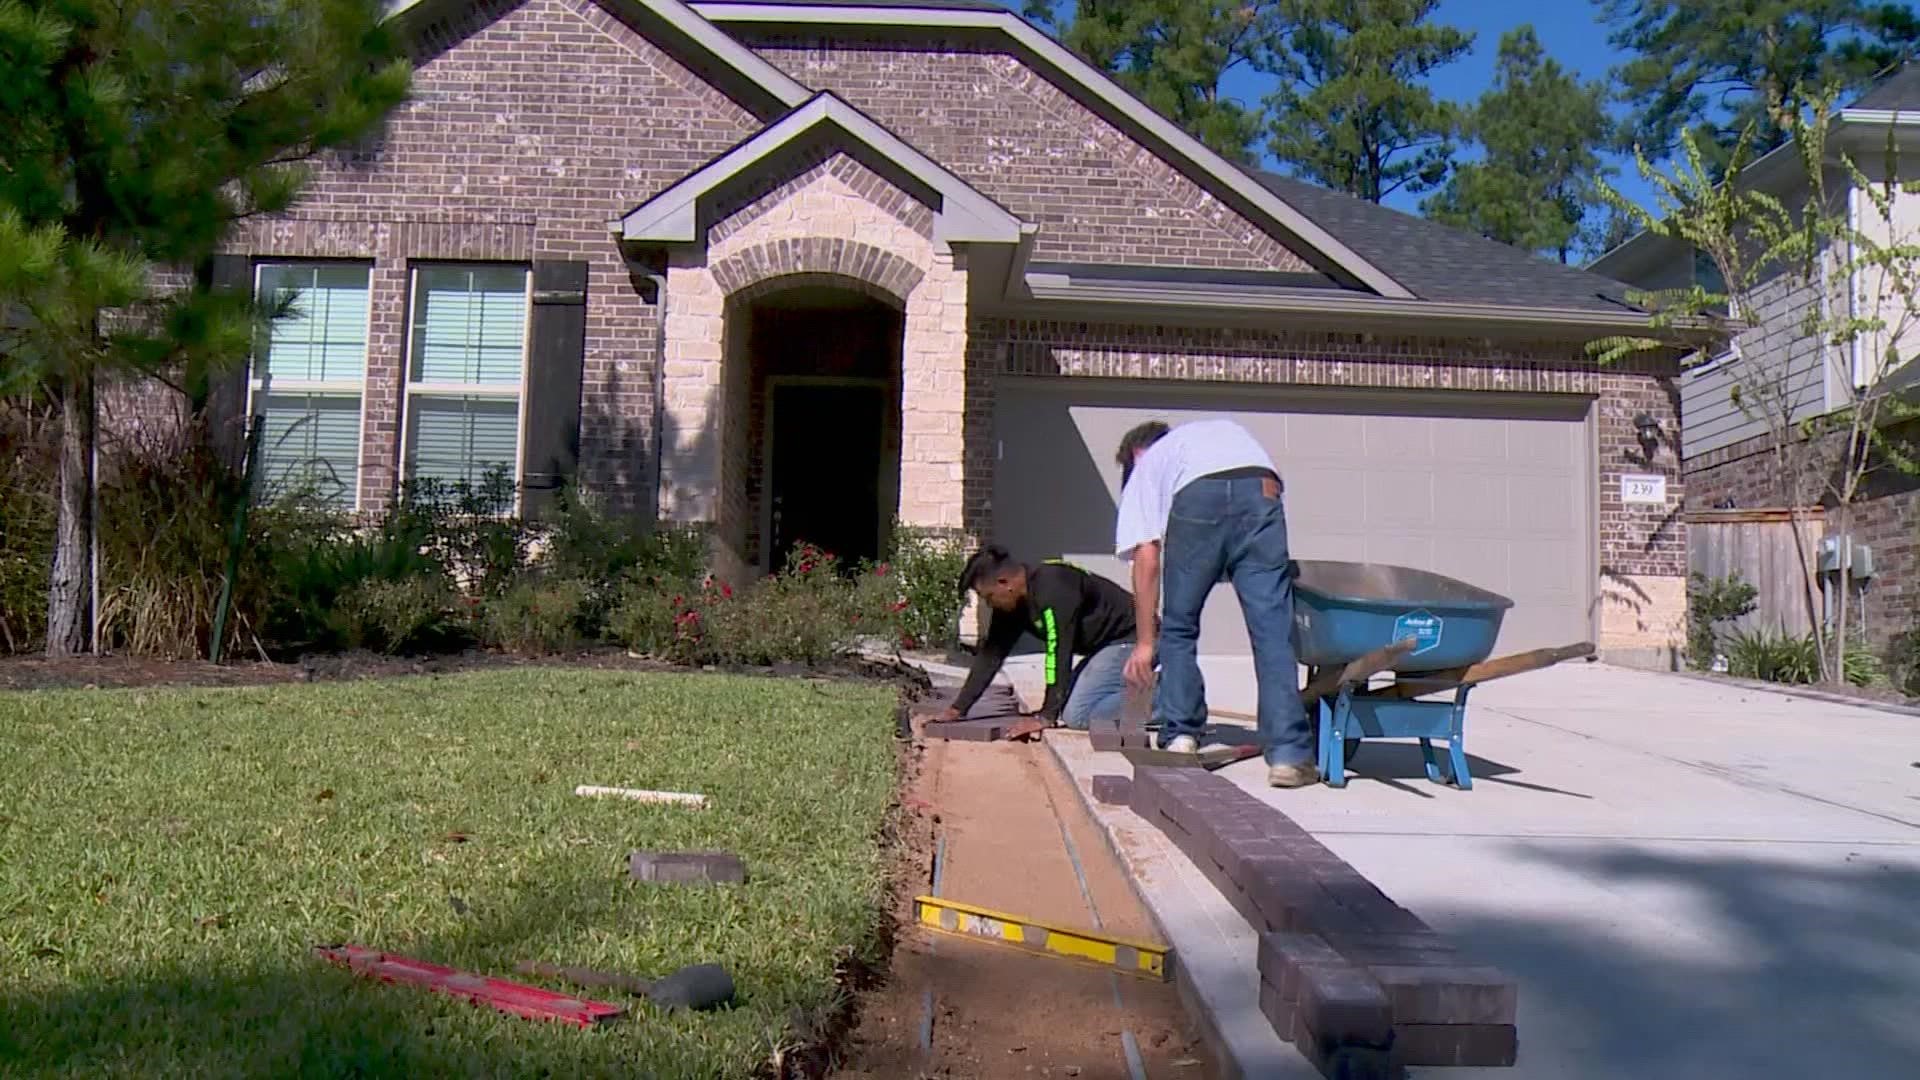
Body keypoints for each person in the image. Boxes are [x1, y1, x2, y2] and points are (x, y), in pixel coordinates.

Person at [1112, 419, 1316, 788]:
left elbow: (1146, 559)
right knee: (1272, 631)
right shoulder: (1213, 436)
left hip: (1198, 496)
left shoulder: (1148, 467)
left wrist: (1145, 643)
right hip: (1262, 485)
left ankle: (1180, 736)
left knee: (1179, 627)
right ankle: (1289, 755)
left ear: (1134, 459)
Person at [936, 545, 1137, 731]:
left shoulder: (1053, 586)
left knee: (1078, 715)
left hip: (1131, 637)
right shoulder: (1011, 606)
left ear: (1004, 582)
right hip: (1101, 647)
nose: (989, 604)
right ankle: (1140, 689)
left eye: (989, 597)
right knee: (1068, 704)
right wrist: (957, 709)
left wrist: (1045, 716)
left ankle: (1162, 700)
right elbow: (990, 657)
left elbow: (1058, 652)